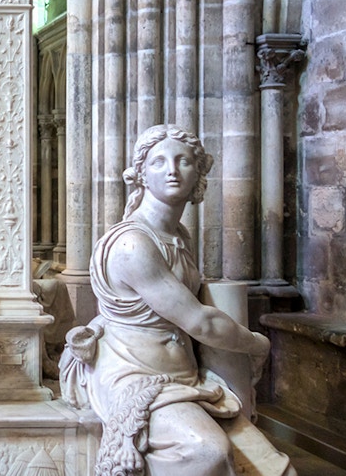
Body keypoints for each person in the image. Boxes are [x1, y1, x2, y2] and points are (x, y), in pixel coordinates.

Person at [59, 125, 293, 476]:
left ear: (198, 173)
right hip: (133, 375)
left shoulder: (176, 236)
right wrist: (255, 343)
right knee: (207, 452)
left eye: (183, 161)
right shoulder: (132, 244)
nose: (171, 169)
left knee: (273, 467)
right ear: (140, 175)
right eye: (158, 162)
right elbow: (202, 322)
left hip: (184, 376)